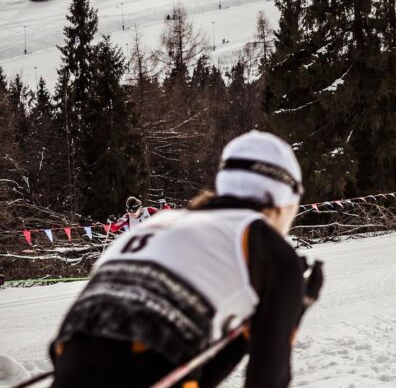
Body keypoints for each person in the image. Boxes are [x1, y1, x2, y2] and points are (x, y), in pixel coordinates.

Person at [49, 131, 322, 388]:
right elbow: (267, 379)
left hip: (69, 357)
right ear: (283, 200)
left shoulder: (164, 222)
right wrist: (291, 311)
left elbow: (191, 369)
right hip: (144, 363)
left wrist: (246, 332)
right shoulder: (267, 245)